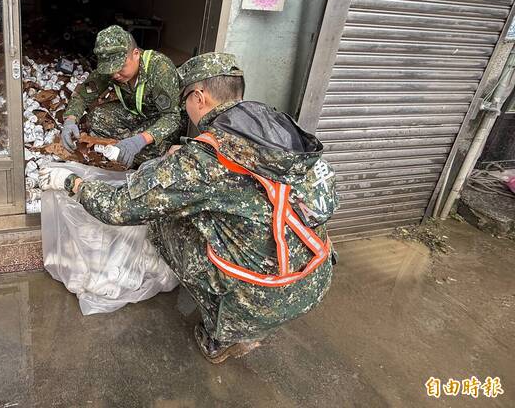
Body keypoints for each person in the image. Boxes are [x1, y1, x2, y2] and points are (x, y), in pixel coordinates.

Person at [40, 52, 337, 363]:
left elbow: (119, 209)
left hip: (261, 298)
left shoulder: (203, 161)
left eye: (186, 101)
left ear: (199, 96)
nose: (186, 109)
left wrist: (71, 183)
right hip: (314, 275)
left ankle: (222, 335)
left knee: (161, 217)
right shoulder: (272, 130)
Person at [61, 25, 182, 168]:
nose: (115, 75)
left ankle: (133, 146)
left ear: (136, 54)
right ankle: (127, 144)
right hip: (135, 114)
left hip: (160, 119)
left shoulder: (160, 69)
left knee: (148, 151)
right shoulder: (111, 70)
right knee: (97, 117)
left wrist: (140, 140)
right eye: (110, 70)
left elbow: (172, 117)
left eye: (120, 68)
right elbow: (83, 96)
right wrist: (70, 120)